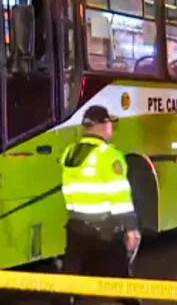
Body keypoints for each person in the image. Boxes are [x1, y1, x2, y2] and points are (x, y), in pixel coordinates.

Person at [54, 105, 141, 305]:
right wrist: (131, 229)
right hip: (104, 232)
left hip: (76, 228)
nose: (111, 128)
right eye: (110, 123)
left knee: (67, 283)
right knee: (122, 285)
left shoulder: (70, 152)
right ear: (103, 125)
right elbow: (120, 196)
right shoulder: (109, 155)